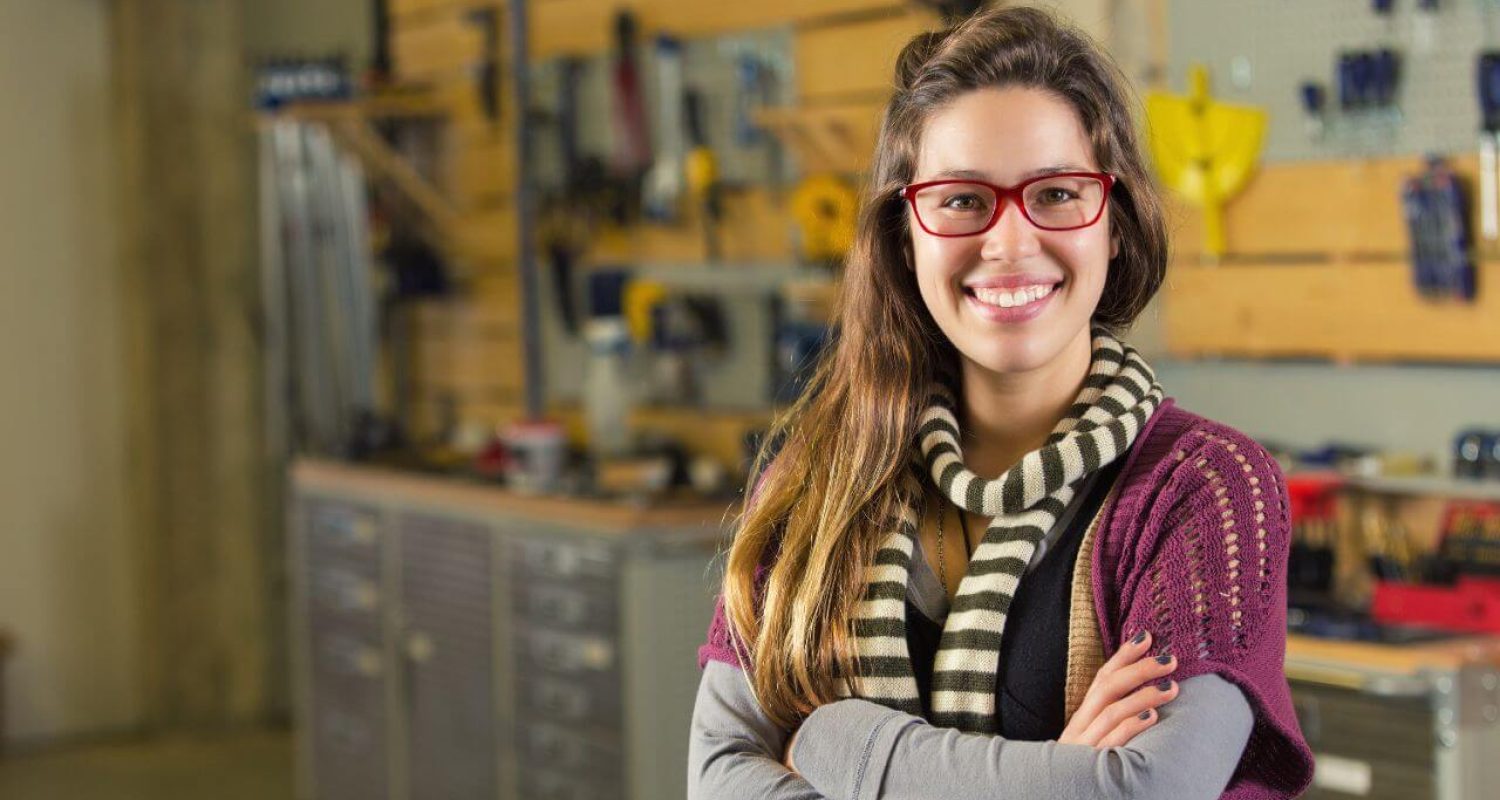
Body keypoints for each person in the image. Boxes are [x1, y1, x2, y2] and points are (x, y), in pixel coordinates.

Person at [687, 6, 1314, 800]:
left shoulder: (1206, 490)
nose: (1010, 242)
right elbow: (716, 780)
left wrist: (836, 740)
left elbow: (1144, 791)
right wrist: (1060, 773)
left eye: (1056, 193)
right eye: (960, 200)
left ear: (1114, 225)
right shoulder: (812, 483)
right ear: (905, 232)